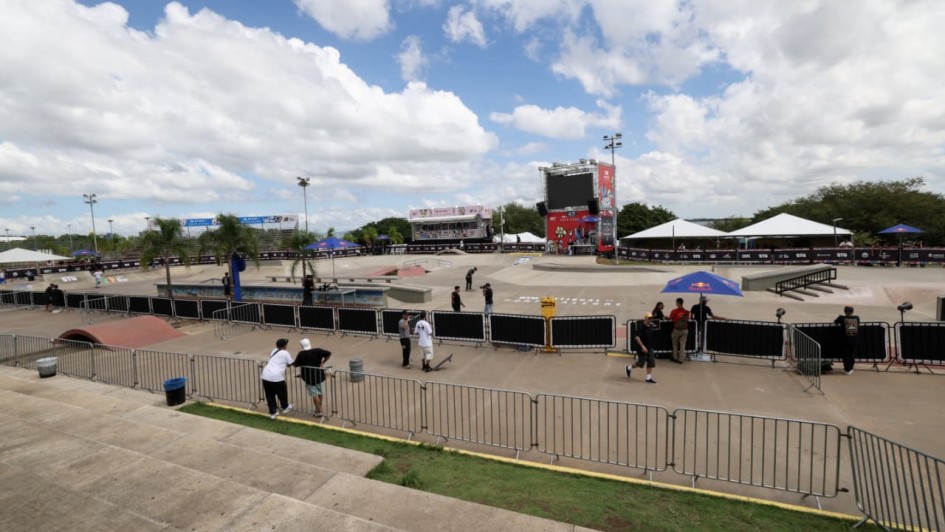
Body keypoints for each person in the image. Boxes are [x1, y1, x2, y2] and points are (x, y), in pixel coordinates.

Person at [292, 338, 331, 416]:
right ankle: (319, 408)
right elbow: (329, 353)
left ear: (302, 346)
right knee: (320, 392)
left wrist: (290, 363)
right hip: (320, 375)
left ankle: (318, 410)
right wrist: (323, 362)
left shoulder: (301, 354)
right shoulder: (318, 351)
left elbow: (295, 364)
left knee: (314, 394)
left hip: (309, 377)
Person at [261, 338, 294, 419]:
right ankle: (285, 407)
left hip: (265, 375)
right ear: (284, 345)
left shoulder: (274, 351)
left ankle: (273, 412)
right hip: (276, 377)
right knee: (282, 392)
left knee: (270, 395)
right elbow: (290, 363)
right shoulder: (285, 353)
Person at [626, 313, 657, 384]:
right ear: (645, 318)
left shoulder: (650, 326)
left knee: (651, 362)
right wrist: (642, 346)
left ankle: (648, 378)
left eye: (651, 318)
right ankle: (629, 367)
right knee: (641, 363)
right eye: (649, 318)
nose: (651, 319)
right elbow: (637, 337)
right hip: (642, 348)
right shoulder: (641, 327)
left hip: (649, 348)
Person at [833, 306, 860, 375]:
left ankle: (847, 369)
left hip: (845, 340)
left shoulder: (842, 318)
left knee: (846, 355)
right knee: (852, 354)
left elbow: (835, 322)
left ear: (845, 311)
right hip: (854, 339)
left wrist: (840, 317)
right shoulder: (856, 318)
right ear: (852, 312)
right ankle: (850, 368)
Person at [668, 298, 690, 364]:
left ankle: (675, 358)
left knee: (675, 345)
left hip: (676, 330)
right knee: (682, 345)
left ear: (678, 303)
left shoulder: (674, 311)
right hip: (684, 330)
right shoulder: (687, 312)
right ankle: (681, 360)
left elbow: (670, 318)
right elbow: (687, 319)